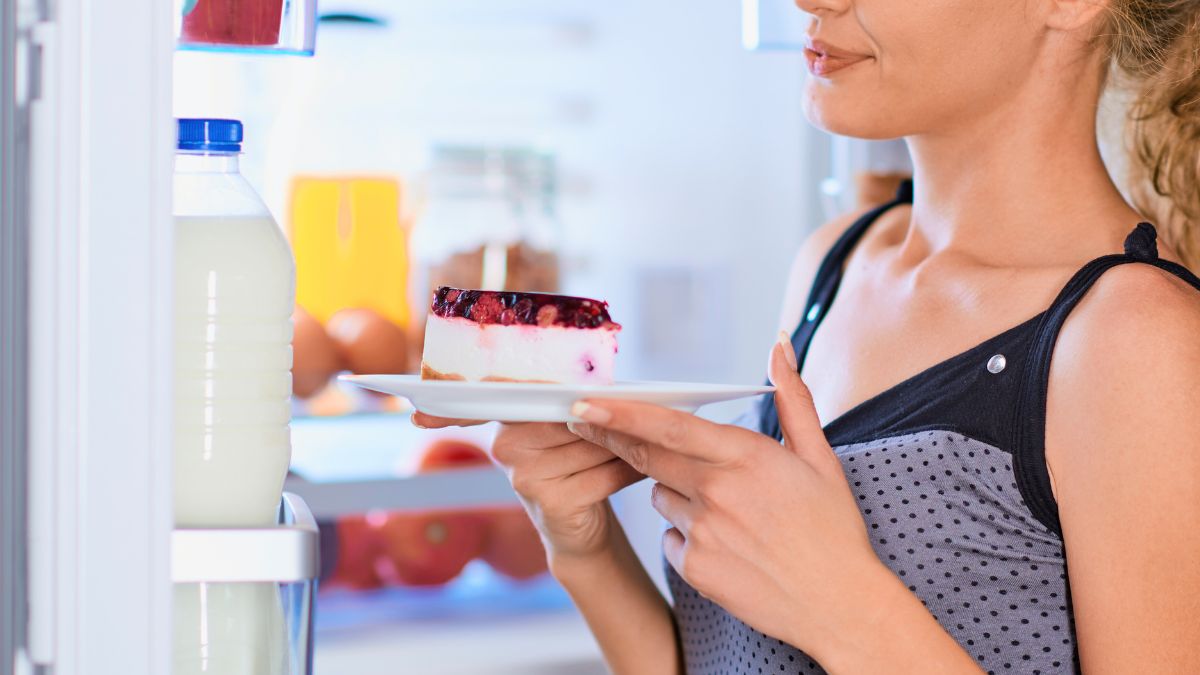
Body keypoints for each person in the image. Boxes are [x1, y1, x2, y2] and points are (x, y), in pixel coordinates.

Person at [416, 0, 1200, 672]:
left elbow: (826, 613)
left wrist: (843, 605)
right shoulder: (834, 262)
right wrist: (582, 543)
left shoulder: (1136, 345)